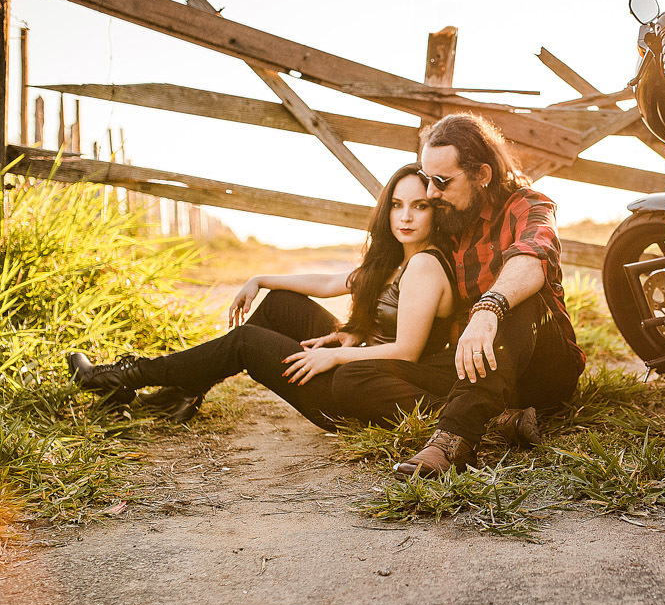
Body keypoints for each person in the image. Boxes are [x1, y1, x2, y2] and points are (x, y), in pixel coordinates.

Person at [66, 163, 459, 430]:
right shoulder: (393, 262)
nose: (405, 217)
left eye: (419, 206)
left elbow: (407, 351)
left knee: (245, 341)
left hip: (360, 390)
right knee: (280, 303)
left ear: (434, 212)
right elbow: (327, 283)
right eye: (396, 205)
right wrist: (261, 278)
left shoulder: (425, 265)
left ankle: (124, 376)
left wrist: (334, 353)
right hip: (358, 365)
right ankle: (181, 389)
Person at [387, 112, 586, 477]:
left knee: (521, 297)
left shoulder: (529, 205)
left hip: (544, 369)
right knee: (360, 374)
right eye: (428, 180)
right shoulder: (450, 218)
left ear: (482, 174)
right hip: (480, 366)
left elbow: (532, 257)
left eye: (441, 182)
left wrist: (489, 308)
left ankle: (452, 439)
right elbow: (399, 266)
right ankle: (498, 417)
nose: (431, 193)